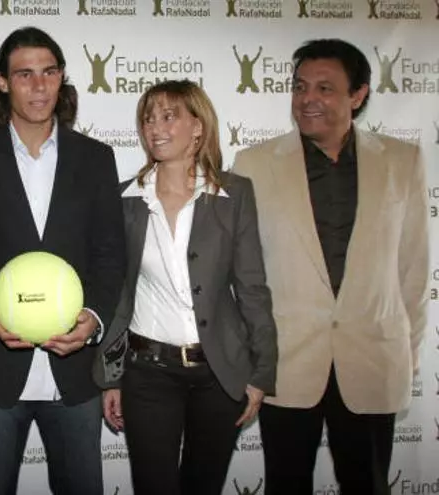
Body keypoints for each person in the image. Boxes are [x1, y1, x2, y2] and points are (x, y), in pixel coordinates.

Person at [233, 38, 428, 495]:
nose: (308, 99)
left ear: (358, 95)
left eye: (325, 88)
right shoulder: (253, 164)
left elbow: (413, 270)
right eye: (300, 87)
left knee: (368, 485)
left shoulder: (403, 161)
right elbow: (243, 274)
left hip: (374, 360)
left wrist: (405, 352)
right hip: (287, 365)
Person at [0, 26, 126, 495]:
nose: (39, 86)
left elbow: (110, 255)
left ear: (61, 78)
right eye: (24, 74)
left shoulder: (96, 159)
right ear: (2, 82)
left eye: (49, 72)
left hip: (76, 374)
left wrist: (94, 319)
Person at [94, 80, 277, 495]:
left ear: (198, 126)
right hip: (147, 374)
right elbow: (114, 294)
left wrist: (261, 373)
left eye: (168, 116)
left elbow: (252, 288)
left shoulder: (234, 193)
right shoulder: (124, 199)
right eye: (148, 119)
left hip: (219, 375)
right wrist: (110, 376)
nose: (154, 128)